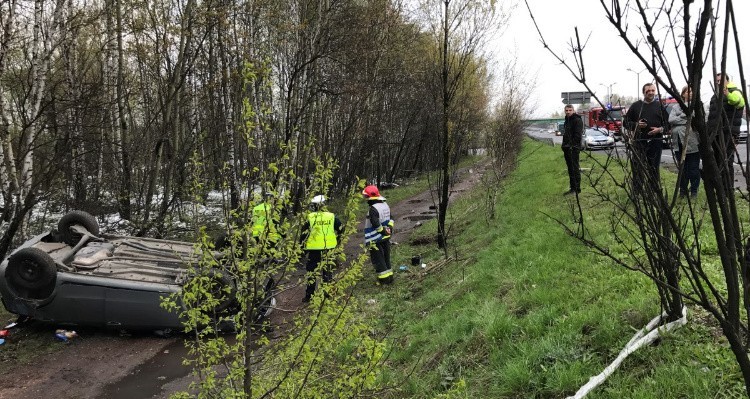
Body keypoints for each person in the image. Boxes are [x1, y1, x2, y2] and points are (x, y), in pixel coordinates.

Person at [624, 83, 669, 193]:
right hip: (639, 142)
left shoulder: (660, 106)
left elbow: (668, 124)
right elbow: (625, 123)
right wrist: (636, 125)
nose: (651, 92)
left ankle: (654, 191)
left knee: (654, 167)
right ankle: (638, 191)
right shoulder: (636, 106)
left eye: (653, 90)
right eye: (648, 90)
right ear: (643, 92)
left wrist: (659, 130)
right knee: (638, 167)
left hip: (656, 142)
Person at [300, 194, 343, 303]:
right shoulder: (332, 216)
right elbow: (341, 228)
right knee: (327, 272)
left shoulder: (310, 217)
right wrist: (338, 240)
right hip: (329, 248)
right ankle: (327, 294)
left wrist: (302, 249)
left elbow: (303, 235)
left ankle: (309, 296)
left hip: (314, 250)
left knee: (311, 273)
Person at [707, 72, 745, 180]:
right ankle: (721, 190)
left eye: (721, 80)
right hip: (715, 133)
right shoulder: (715, 96)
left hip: (728, 132)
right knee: (717, 161)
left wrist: (728, 94)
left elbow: (739, 102)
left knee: (727, 161)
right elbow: (711, 116)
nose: (718, 83)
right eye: (717, 81)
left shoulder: (735, 91)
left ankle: (728, 191)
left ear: (727, 81)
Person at [669, 86, 701, 198]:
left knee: (693, 168)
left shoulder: (697, 105)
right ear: (683, 94)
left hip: (692, 141)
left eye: (692, 91)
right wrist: (685, 115)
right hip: (678, 142)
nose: (690, 93)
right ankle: (682, 191)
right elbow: (671, 120)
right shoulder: (676, 106)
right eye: (687, 91)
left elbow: (695, 118)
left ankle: (694, 191)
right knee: (682, 168)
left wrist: (681, 117)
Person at [362, 185, 394, 284]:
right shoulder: (385, 205)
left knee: (378, 259)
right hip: (385, 237)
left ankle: (384, 280)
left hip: (375, 238)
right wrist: (389, 229)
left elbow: (376, 223)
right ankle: (390, 278)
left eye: (366, 196)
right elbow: (391, 218)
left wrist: (382, 231)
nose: (365, 199)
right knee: (386, 258)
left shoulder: (373, 209)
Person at [562, 104, 583, 195]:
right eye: (566, 110)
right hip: (566, 148)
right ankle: (572, 188)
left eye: (570, 110)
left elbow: (577, 135)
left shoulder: (577, 120)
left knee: (575, 168)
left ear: (573, 110)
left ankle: (577, 189)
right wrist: (564, 146)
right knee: (570, 169)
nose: (568, 112)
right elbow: (566, 135)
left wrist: (572, 145)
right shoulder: (567, 121)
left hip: (573, 148)